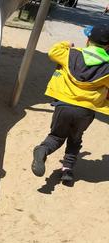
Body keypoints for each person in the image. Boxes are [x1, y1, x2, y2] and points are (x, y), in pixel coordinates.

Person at [31, 24, 109, 183]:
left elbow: (53, 52)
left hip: (64, 105)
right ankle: (67, 170)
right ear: (107, 46)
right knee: (75, 138)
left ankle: (43, 150)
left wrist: (66, 44)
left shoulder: (71, 54)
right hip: (86, 111)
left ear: (88, 40)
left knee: (56, 136)